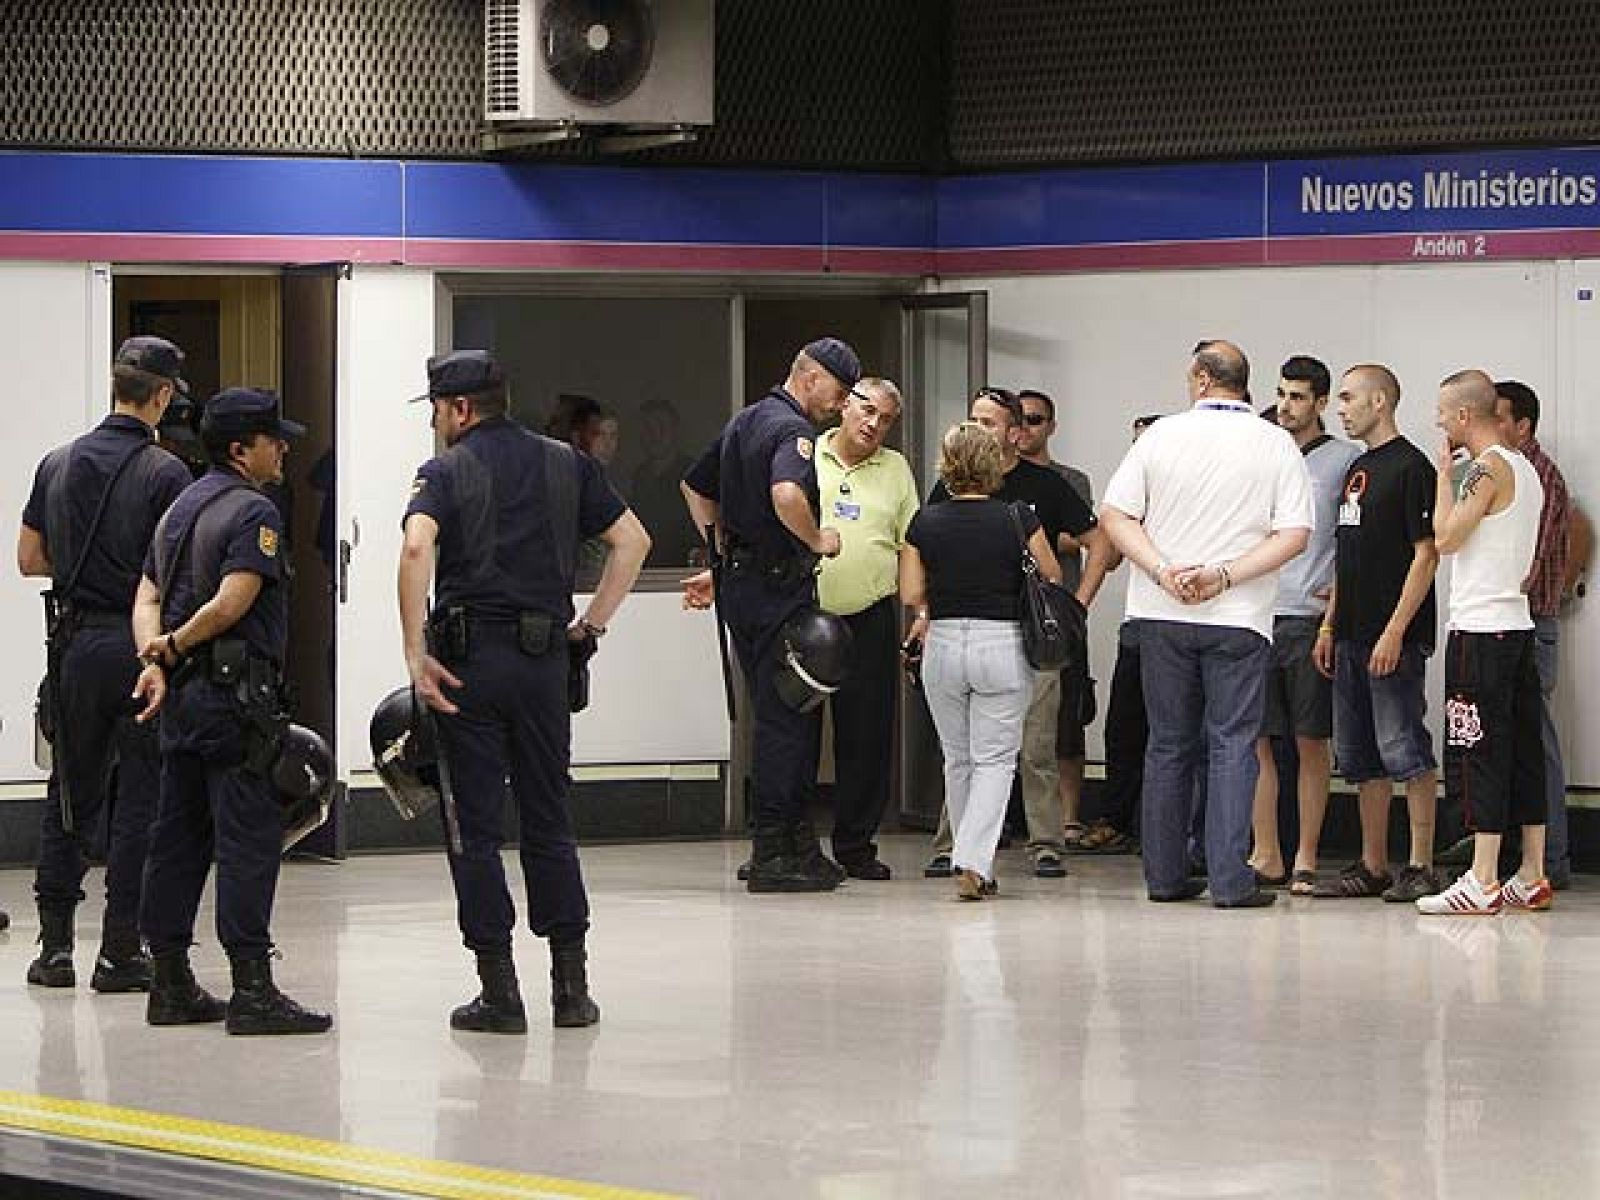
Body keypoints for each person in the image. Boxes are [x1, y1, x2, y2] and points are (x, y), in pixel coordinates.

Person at [400, 350, 650, 1033]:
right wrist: (589, 627)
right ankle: (571, 988)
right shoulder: (569, 463)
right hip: (544, 664)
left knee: (474, 828)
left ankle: (499, 992)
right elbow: (632, 541)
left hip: (468, 667)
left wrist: (416, 653)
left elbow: (418, 549)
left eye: (435, 412)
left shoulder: (444, 472)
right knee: (549, 819)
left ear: (457, 409)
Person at [134, 387, 332, 1034]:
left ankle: (169, 982)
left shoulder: (178, 507)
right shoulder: (254, 511)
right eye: (274, 438)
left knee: (178, 837)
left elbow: (147, 596)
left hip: (185, 701)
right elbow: (234, 599)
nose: (284, 447)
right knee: (247, 840)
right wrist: (178, 643)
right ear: (241, 449)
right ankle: (252, 988)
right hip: (235, 702)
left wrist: (156, 658)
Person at [1100, 340, 1312, 908]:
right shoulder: (1276, 444)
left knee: (1168, 745)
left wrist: (1162, 569)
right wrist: (1223, 575)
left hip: (1161, 614)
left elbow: (1115, 514)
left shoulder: (1160, 436)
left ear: (1198, 378)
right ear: (1246, 382)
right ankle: (1229, 879)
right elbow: (1294, 534)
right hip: (1239, 618)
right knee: (1233, 745)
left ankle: (1165, 877)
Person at [17, 336, 195, 988]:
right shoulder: (166, 473)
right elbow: (176, 571)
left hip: (71, 646)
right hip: (138, 647)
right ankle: (121, 951)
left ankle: (54, 948)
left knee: (68, 792)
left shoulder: (55, 463)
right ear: (163, 395)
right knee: (140, 800)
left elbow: (29, 560)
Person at [681, 338, 856, 893]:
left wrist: (721, 552)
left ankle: (797, 845)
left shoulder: (746, 420)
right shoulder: (793, 432)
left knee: (781, 713)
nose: (843, 402)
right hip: (779, 588)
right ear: (810, 376)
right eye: (841, 389)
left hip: (744, 585)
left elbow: (694, 485)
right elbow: (786, 494)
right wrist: (818, 539)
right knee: (789, 721)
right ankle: (773, 852)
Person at [923, 387, 1110, 880]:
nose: (979, 430)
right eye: (974, 420)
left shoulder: (1043, 488)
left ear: (1014, 432)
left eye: (991, 422)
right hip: (971, 634)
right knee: (969, 752)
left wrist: (1077, 605)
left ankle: (1044, 840)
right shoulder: (946, 495)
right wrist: (925, 617)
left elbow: (1098, 540)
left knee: (1035, 743)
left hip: (1029, 632)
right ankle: (956, 847)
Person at [901, 421, 1062, 900]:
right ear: (993, 465)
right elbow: (1051, 574)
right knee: (995, 760)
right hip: (1003, 643)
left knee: (958, 759)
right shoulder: (1016, 517)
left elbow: (911, 592)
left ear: (946, 467)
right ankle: (973, 862)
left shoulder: (924, 522)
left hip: (944, 643)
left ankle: (967, 857)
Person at [1418, 370, 1550, 915]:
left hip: (1479, 631)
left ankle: (1482, 876)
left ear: (1465, 417)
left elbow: (1446, 538)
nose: (1439, 421)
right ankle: (1532, 872)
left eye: (1444, 413)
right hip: (1515, 627)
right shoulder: (1528, 469)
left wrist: (1445, 477)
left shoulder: (1487, 468)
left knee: (1477, 749)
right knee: (1523, 749)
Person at [1310, 365, 1442, 901]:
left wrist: (1394, 632)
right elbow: (1347, 554)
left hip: (1393, 638)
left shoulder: (1411, 468)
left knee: (1403, 745)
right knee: (1360, 754)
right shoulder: (1357, 469)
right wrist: (1329, 624)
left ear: (1380, 401)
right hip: (1349, 635)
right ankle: (1372, 864)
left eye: (1347, 398)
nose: (1339, 408)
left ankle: (1420, 863)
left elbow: (1425, 554)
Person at [1247, 356, 1361, 895]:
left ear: (1320, 401)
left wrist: (1339, 599)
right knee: (1258, 741)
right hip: (1256, 614)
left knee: (1312, 740)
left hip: (1309, 616)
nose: (1288, 405)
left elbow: (1354, 536)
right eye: (1282, 394)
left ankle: (1307, 856)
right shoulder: (1261, 449)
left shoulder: (1344, 458)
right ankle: (1265, 851)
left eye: (1298, 396)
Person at [813, 377, 919, 878]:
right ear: (844, 408)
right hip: (807, 616)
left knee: (867, 735)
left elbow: (910, 543)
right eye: (868, 411)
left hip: (871, 614)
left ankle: (855, 845)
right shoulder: (804, 453)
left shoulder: (895, 468)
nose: (874, 424)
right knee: (797, 731)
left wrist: (920, 610)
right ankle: (788, 842)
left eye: (887, 419)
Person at [1491, 381, 1573, 889]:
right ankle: (1520, 856)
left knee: (1535, 743)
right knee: (1514, 743)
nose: (1490, 426)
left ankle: (1553, 860)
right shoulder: (1506, 470)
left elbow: (1525, 564)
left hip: (1528, 624)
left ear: (1523, 425)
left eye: (1499, 417)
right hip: (1515, 623)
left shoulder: (1538, 475)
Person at [1078, 414, 1163, 854]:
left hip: (1179, 621)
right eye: (1135, 444)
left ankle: (1161, 827)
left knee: (1171, 729)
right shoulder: (1127, 495)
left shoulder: (1181, 494)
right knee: (1123, 726)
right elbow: (1107, 556)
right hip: (1137, 620)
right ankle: (1115, 817)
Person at [1016, 388, 1096, 849]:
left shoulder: (1068, 480)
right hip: (1012, 614)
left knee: (1067, 720)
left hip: (1058, 611)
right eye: (1021, 419)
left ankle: (1066, 819)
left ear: (1051, 425)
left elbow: (1084, 538)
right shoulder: (993, 477)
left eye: (1036, 419)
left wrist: (1079, 604)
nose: (1027, 428)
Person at [630, 397, 699, 568]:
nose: (655, 435)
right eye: (648, 428)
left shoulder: (692, 474)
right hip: (645, 571)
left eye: (662, 427)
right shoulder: (640, 476)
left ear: (674, 430)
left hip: (682, 573)